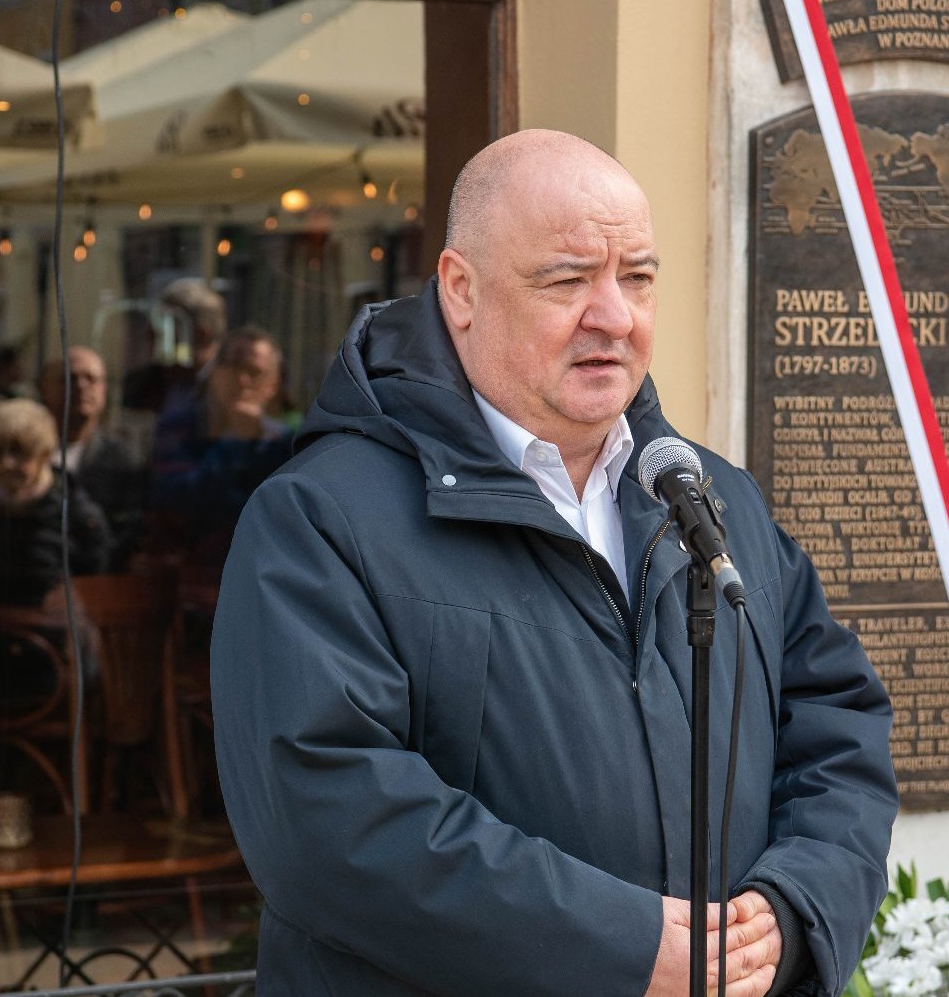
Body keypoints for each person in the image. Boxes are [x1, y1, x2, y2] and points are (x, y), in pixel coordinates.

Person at [211, 130, 897, 997]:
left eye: (637, 278)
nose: (614, 314)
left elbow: (837, 723)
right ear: (461, 290)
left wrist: (793, 910)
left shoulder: (709, 499)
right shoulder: (319, 520)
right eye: (569, 280)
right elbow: (325, 819)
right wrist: (623, 947)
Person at [147, 326, 294, 566]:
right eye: (233, 368)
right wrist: (235, 439)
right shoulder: (179, 427)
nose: (242, 381)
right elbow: (174, 501)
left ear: (273, 384)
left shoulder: (284, 442)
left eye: (254, 372)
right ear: (216, 374)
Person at [0, 398, 110, 606]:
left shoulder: (77, 515)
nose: (6, 463)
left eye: (18, 452)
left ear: (43, 455)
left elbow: (94, 573)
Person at [40, 345, 147, 567]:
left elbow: (127, 536)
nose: (80, 386)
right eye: (69, 378)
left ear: (104, 390)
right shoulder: (28, 454)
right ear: (44, 388)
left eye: (91, 379)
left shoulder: (124, 460)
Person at [122, 277, 224, 414]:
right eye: (157, 321)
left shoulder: (235, 386)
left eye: (168, 325)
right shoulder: (140, 385)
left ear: (203, 334)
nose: (152, 333)